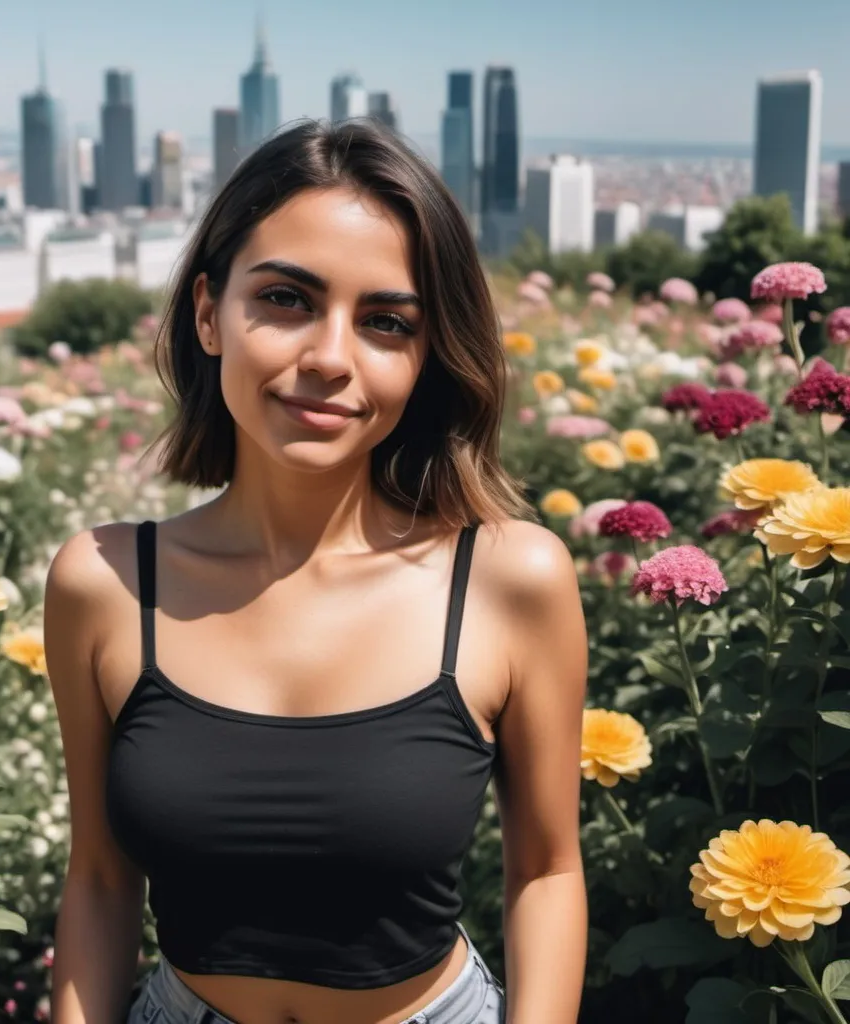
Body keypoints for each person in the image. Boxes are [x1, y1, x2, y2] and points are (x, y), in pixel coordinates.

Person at [44, 117, 588, 1024]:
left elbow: (547, 872)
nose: (330, 358)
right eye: (287, 300)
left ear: (424, 357)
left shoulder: (509, 579)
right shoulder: (104, 583)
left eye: (385, 322)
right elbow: (100, 880)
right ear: (210, 314)